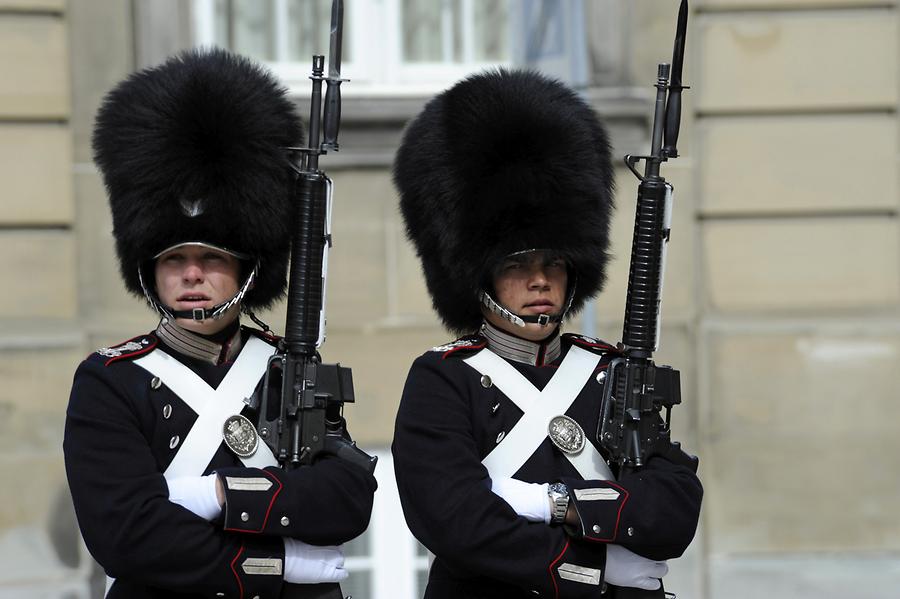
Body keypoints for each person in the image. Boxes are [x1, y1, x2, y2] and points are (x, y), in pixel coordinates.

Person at [64, 48, 376, 599]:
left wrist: (206, 496)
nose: (191, 275)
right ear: (150, 271)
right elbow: (128, 536)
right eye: (172, 261)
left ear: (245, 269)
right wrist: (277, 563)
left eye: (210, 259)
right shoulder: (110, 380)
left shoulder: (289, 363)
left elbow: (346, 498)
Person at [391, 69, 702, 598]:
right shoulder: (443, 379)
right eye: (517, 264)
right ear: (480, 274)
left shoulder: (609, 371)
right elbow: (456, 521)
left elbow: (673, 506)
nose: (540, 280)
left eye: (554, 262)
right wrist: (591, 567)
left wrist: (547, 503)